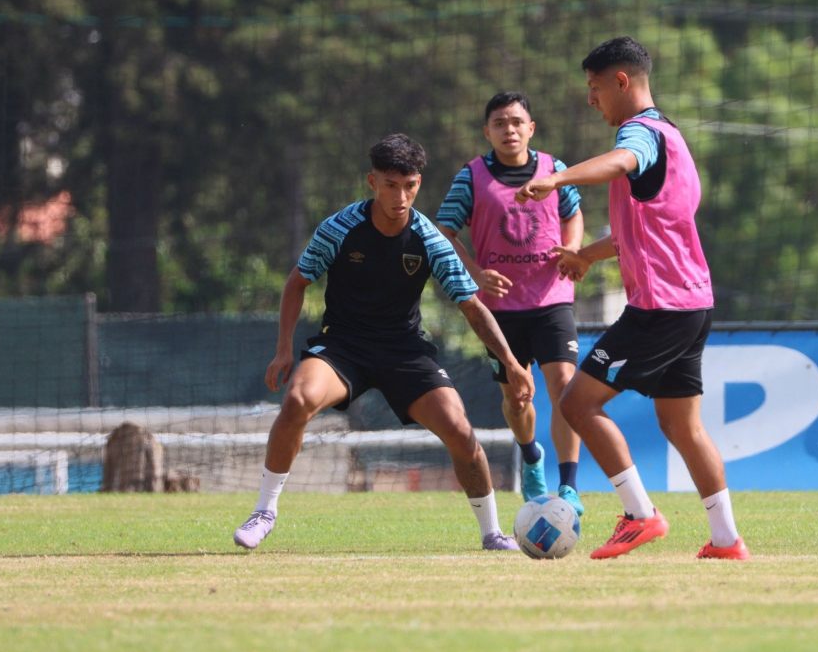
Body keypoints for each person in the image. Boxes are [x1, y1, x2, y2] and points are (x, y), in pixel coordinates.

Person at [234, 133, 536, 552]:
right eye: (391, 185)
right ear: (372, 182)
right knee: (298, 400)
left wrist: (511, 362)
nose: (400, 196)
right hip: (343, 346)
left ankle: (492, 533)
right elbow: (297, 282)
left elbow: (472, 307)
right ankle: (265, 511)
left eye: (409, 185)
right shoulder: (339, 228)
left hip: (405, 350)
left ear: (418, 184)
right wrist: (284, 348)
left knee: (461, 432)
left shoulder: (430, 240)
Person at [516, 36, 750, 561]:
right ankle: (726, 540)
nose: (591, 100)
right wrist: (589, 257)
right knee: (682, 425)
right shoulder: (674, 137)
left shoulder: (640, 133)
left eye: (596, 88)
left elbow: (621, 161)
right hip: (693, 302)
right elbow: (646, 230)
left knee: (577, 402)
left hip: (660, 308)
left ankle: (640, 514)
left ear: (622, 82)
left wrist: (556, 178)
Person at [436, 92, 586, 515]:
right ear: (487, 132)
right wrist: (475, 273)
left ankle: (569, 486)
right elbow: (443, 231)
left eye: (517, 122)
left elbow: (572, 212)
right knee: (518, 398)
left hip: (552, 298)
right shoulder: (471, 177)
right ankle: (531, 455)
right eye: (500, 123)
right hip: (500, 310)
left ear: (531, 128)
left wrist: (572, 248)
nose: (510, 130)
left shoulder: (553, 169)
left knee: (564, 388)